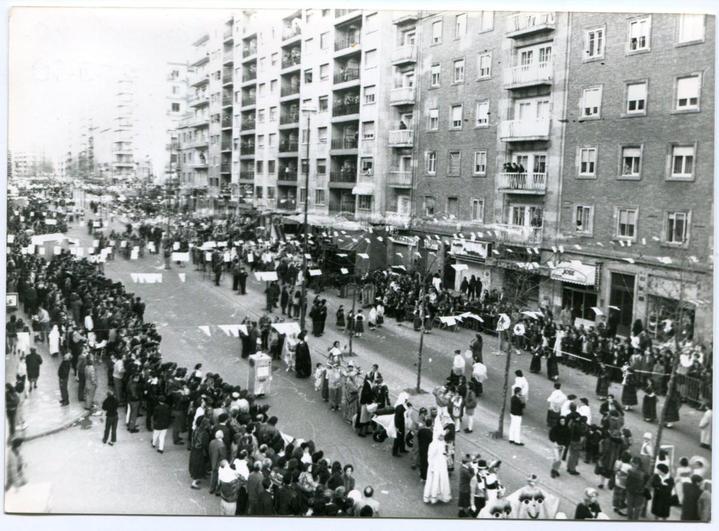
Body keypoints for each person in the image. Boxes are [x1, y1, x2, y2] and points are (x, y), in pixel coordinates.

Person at [423, 433, 451, 504]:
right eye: (440, 436)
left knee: (441, 479)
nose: (442, 437)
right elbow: (430, 456)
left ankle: (440, 495)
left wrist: (447, 455)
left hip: (442, 464)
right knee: (434, 480)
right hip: (435, 464)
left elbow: (443, 453)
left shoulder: (443, 443)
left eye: (442, 436)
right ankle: (432, 496)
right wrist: (431, 466)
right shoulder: (433, 444)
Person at [392, 392, 409, 457]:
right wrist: (397, 427)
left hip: (402, 424)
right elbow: (397, 418)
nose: (407, 400)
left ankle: (402, 448)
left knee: (402, 437)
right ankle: (395, 452)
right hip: (399, 425)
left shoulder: (402, 405)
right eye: (406, 399)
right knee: (398, 438)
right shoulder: (399, 407)